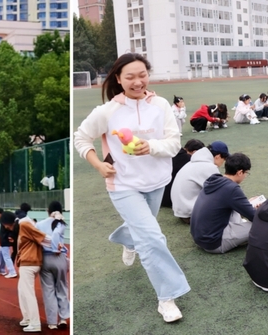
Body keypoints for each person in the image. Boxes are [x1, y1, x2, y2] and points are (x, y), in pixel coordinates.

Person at [74, 53, 190, 323]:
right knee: (152, 239)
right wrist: (98, 165)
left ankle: (129, 239)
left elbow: (174, 143)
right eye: (130, 77)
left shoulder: (161, 105)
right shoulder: (107, 111)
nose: (137, 82)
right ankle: (167, 297)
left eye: (142, 75)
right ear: (118, 79)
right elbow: (81, 138)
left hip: (157, 182)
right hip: (123, 184)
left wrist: (152, 146)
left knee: (143, 231)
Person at [0, 210, 58, 333]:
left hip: (30, 262)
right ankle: (27, 318)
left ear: (8, 222)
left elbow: (42, 236)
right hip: (27, 262)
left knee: (28, 293)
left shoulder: (24, 225)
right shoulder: (20, 227)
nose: (6, 228)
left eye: (5, 225)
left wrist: (57, 245)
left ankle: (35, 322)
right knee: (22, 291)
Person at [190, 152, 259, 253]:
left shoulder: (214, 180)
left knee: (234, 207)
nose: (245, 176)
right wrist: (265, 208)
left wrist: (247, 204)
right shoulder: (232, 188)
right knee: (262, 225)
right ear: (240, 172)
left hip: (200, 237)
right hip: (214, 243)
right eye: (246, 173)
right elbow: (254, 216)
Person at [171, 140, 229, 222]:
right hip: (192, 214)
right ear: (218, 156)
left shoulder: (192, 163)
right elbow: (222, 192)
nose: (223, 162)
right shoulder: (209, 167)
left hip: (182, 210)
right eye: (224, 159)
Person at [36, 201, 70, 331]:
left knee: (48, 291)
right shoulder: (60, 223)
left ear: (48, 210)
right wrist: (56, 248)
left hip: (45, 259)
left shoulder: (39, 224)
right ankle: (63, 318)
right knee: (61, 287)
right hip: (59, 258)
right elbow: (56, 234)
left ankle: (52, 322)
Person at [162, 138, 205, 209]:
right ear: (195, 152)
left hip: (162, 193)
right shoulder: (188, 159)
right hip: (171, 198)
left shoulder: (175, 153)